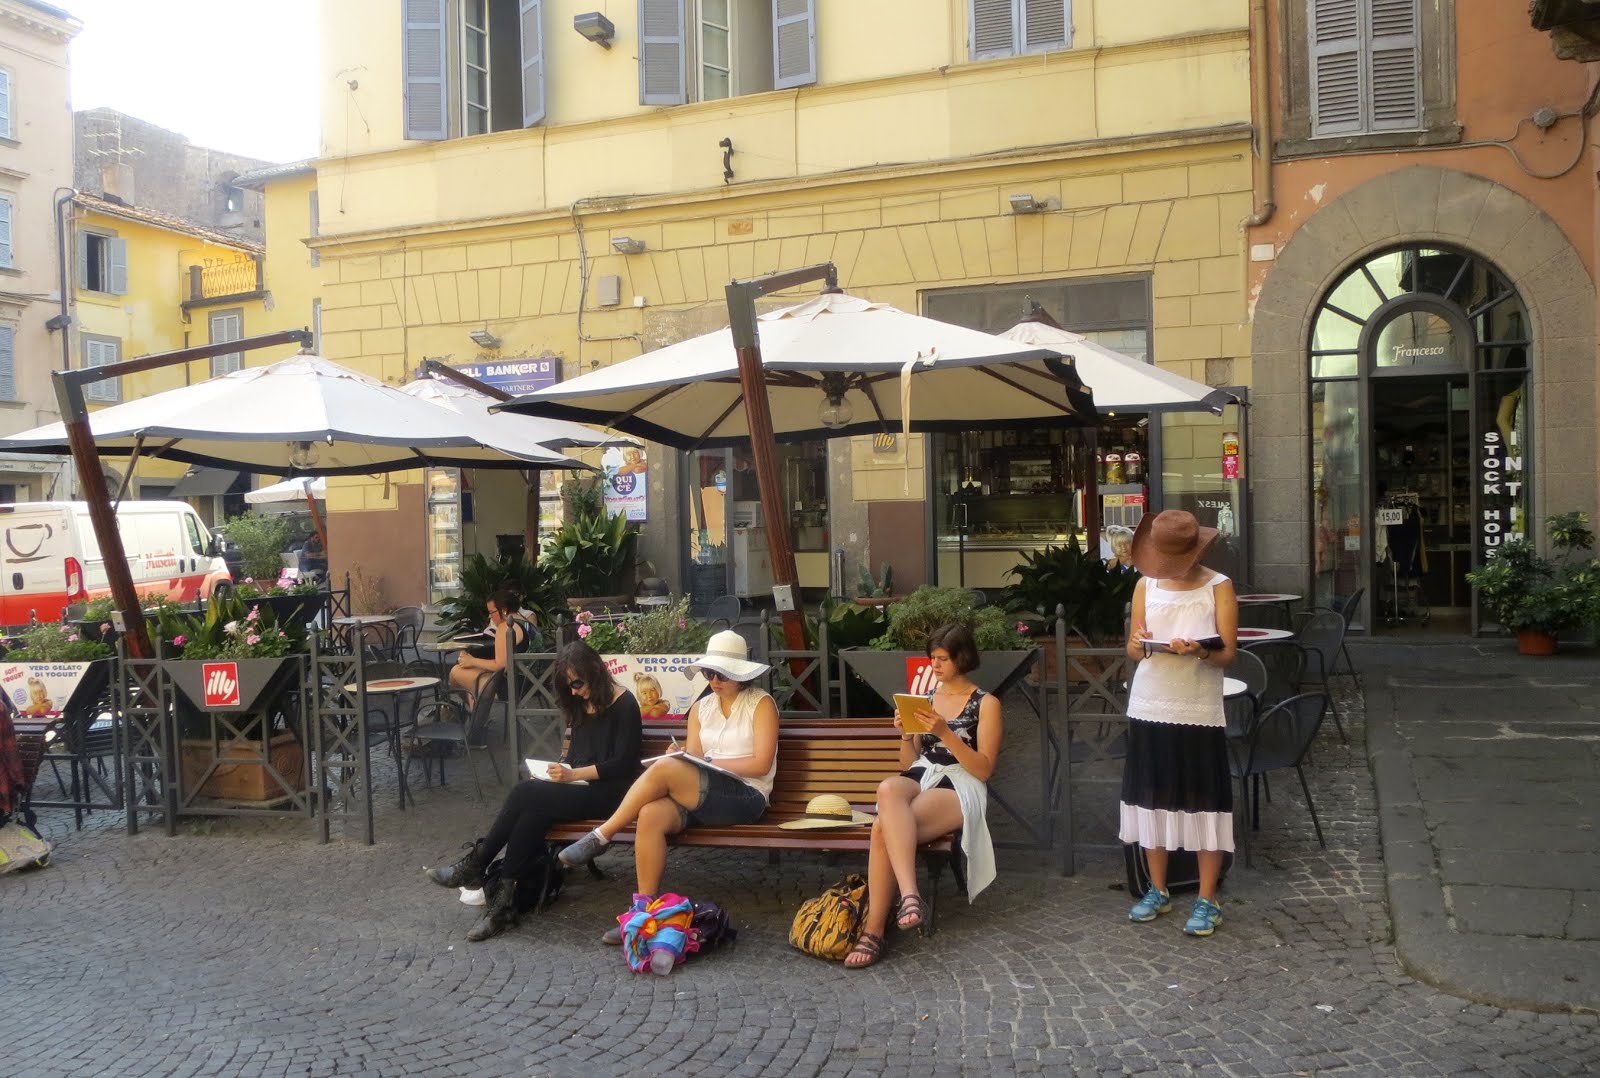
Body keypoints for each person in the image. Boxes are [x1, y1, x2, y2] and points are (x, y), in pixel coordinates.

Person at [557, 629, 777, 942]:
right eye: (708, 672)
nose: (713, 680)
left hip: (747, 795)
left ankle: (603, 835)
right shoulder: (702, 708)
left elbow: (761, 764)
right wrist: (684, 755)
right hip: (703, 796)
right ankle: (642, 913)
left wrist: (705, 762)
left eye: (721, 674)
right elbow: (697, 758)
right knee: (650, 814)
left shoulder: (761, 704)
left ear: (740, 675)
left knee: (667, 769)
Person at [424, 641, 643, 941]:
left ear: (594, 672)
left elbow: (624, 765)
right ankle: (503, 907)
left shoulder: (625, 703)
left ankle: (477, 863)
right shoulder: (579, 704)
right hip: (578, 787)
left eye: (577, 684)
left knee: (524, 794)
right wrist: (554, 771)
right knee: (531, 812)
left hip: (612, 795)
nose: (575, 692)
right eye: (569, 687)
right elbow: (575, 755)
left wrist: (571, 774)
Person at [844, 623, 1002, 969]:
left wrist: (944, 731)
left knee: (881, 830)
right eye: (932, 658)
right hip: (923, 772)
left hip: (961, 781)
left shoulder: (986, 703)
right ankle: (911, 895)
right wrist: (905, 734)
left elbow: (984, 768)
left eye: (942, 658)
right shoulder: (927, 699)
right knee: (887, 788)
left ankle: (873, 931)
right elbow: (908, 762)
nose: (935, 665)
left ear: (962, 658)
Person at [1120, 509, 1238, 937]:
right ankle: (1158, 888)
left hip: (1198, 706)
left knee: (1205, 798)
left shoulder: (1219, 586)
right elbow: (1135, 652)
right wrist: (1137, 643)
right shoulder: (1144, 585)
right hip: (1150, 703)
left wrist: (1201, 651)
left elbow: (1227, 653)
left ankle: (1208, 898)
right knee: (1152, 796)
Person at [448, 590, 530, 708]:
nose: (490, 616)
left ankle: (474, 715)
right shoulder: (523, 623)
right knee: (467, 675)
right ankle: (474, 707)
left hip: (510, 686)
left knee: (455, 672)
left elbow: (500, 665)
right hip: (525, 681)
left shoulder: (505, 628)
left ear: (504, 610)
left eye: (492, 612)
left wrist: (471, 661)